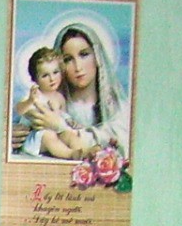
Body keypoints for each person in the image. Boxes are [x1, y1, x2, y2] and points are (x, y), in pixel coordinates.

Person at [55, 23, 130, 157]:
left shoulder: (120, 108)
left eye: (84, 55)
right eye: (68, 59)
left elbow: (121, 146)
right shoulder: (52, 106)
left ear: (97, 57)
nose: (78, 67)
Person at [15, 47, 92, 159]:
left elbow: (63, 115)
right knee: (49, 136)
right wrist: (30, 100)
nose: (52, 79)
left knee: (69, 134)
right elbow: (19, 109)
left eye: (55, 72)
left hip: (55, 131)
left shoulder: (60, 97)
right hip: (34, 137)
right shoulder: (35, 95)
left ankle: (84, 152)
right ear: (35, 79)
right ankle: (70, 154)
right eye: (45, 75)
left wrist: (70, 121)